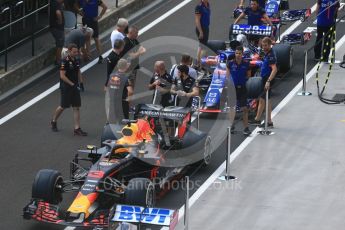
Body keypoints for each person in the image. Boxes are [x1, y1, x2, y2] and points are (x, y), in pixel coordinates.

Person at [51, 43, 87, 136]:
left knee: (76, 107)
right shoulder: (64, 61)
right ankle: (54, 121)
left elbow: (78, 71)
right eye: (74, 52)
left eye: (77, 52)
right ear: (69, 51)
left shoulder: (77, 60)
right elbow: (62, 76)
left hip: (75, 86)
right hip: (66, 87)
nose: (76, 53)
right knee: (63, 106)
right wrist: (72, 84)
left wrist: (81, 82)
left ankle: (77, 128)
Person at [249, 37, 277, 127]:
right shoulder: (267, 53)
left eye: (266, 45)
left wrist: (268, 81)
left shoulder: (271, 55)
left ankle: (258, 119)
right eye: (263, 45)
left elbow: (274, 69)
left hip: (267, 79)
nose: (264, 47)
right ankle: (269, 121)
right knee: (266, 100)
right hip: (265, 78)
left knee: (262, 100)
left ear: (269, 45)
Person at [227, 46, 251, 136]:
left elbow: (248, 75)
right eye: (236, 53)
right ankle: (231, 126)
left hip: (243, 89)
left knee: (244, 109)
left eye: (239, 53)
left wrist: (243, 81)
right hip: (233, 89)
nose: (237, 55)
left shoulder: (246, 64)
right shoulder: (230, 63)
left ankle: (246, 128)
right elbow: (228, 76)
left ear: (242, 54)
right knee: (232, 108)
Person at [195, 0, 211, 68]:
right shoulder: (199, 7)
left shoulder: (207, 4)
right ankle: (200, 64)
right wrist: (201, 31)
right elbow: (197, 20)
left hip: (206, 28)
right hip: (201, 29)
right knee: (203, 46)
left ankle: (199, 63)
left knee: (202, 46)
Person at [49, 0, 65, 65]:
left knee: (58, 43)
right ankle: (58, 60)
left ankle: (57, 58)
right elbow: (58, 12)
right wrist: (60, 21)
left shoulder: (53, 2)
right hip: (58, 28)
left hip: (54, 27)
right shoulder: (57, 4)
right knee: (60, 44)